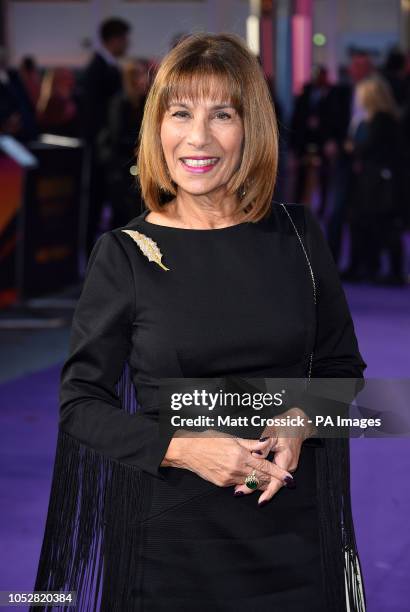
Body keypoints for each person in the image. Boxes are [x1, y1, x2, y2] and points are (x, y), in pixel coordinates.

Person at [31, 33, 367, 611]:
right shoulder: (126, 253)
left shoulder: (298, 236)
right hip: (170, 543)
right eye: (180, 113)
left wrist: (301, 418)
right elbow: (81, 403)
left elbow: (342, 366)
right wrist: (182, 448)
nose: (198, 137)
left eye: (223, 115)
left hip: (292, 535)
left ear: (252, 127)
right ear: (157, 128)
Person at [342, 75, 406, 285]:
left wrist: (354, 148)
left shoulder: (381, 120)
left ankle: (381, 269)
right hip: (374, 180)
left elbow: (370, 148)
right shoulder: (377, 119)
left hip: (378, 182)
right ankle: (372, 267)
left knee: (380, 225)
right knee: (373, 224)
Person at [80, 17, 131, 257]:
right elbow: (93, 113)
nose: (127, 44)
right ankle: (93, 253)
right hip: (101, 151)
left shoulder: (108, 66)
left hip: (108, 149)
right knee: (97, 202)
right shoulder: (97, 68)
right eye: (124, 38)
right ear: (114, 39)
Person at [97, 58, 150, 227]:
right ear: (130, 79)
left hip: (138, 167)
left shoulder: (144, 102)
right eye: (140, 76)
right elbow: (117, 137)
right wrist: (140, 147)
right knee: (123, 216)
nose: (145, 80)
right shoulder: (118, 103)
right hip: (121, 170)